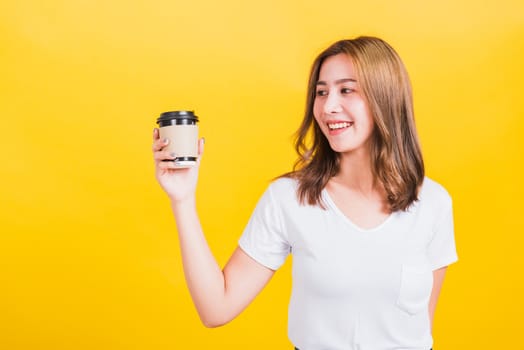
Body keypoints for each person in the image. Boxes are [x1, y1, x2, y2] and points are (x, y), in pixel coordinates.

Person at [152, 36, 458, 350]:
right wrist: (183, 199)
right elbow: (216, 308)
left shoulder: (433, 203)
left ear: (386, 98)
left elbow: (420, 329)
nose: (328, 106)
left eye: (346, 90)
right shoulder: (290, 198)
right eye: (321, 92)